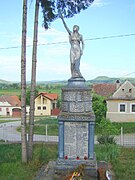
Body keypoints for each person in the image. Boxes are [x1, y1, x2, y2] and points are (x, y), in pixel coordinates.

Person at [60, 13, 84, 78]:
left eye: (75, 27)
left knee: (77, 64)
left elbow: (83, 43)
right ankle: (73, 75)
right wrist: (62, 19)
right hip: (72, 49)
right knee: (72, 63)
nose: (74, 28)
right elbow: (66, 27)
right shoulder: (71, 34)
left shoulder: (80, 35)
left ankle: (79, 75)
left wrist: (82, 50)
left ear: (78, 28)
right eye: (73, 27)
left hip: (78, 49)